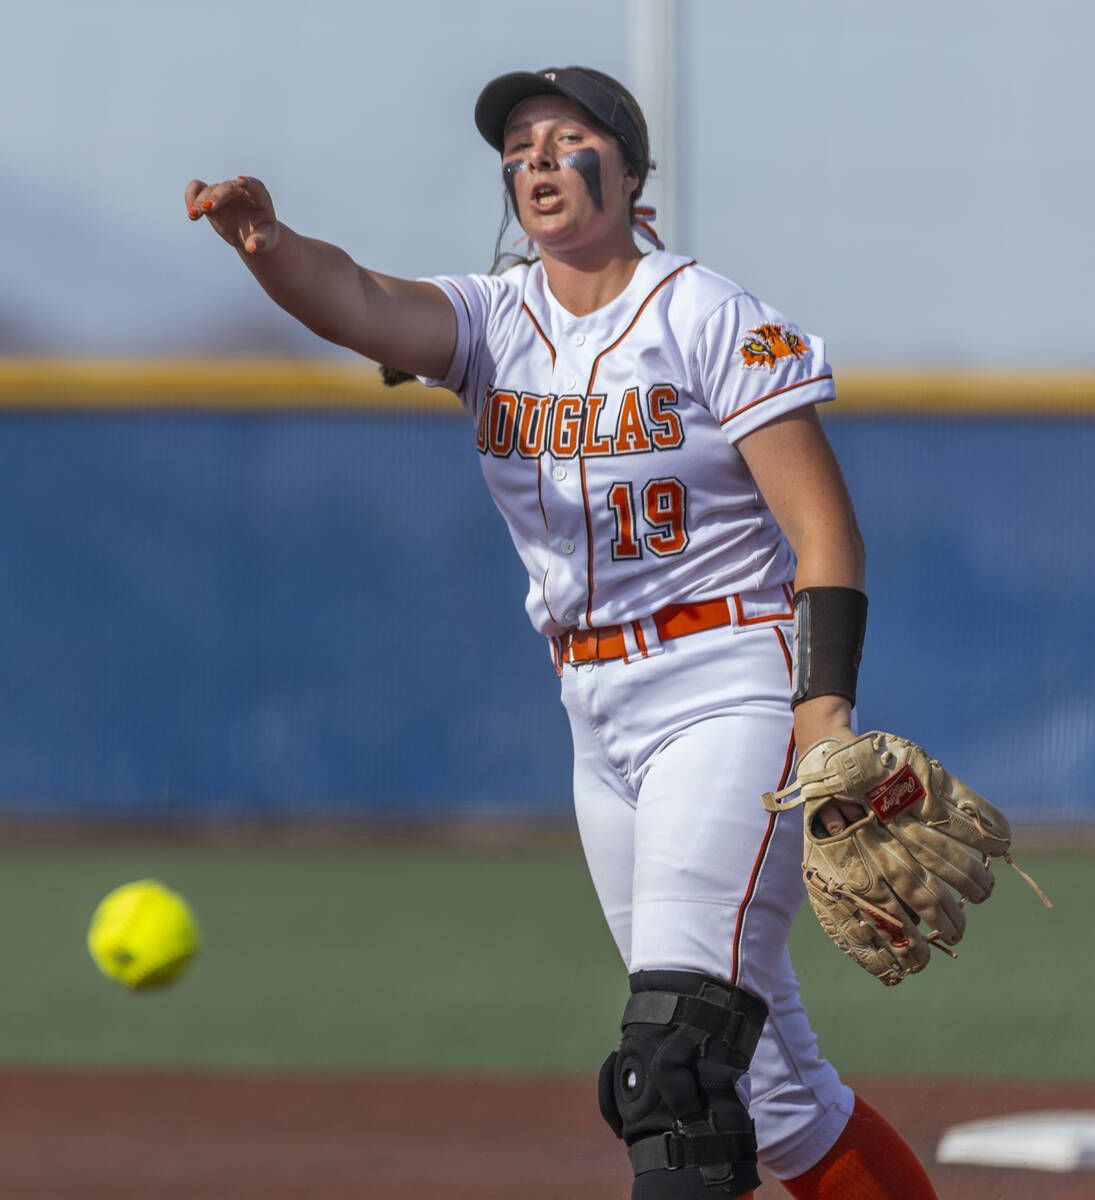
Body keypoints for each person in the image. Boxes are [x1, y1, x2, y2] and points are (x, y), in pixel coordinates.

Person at [186, 65, 938, 1200]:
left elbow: (826, 534)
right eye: (520, 142)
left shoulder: (705, 313)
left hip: (725, 690)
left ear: (631, 174)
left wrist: (819, 716)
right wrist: (266, 242)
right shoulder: (494, 321)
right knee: (777, 1101)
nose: (538, 156)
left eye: (569, 136)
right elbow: (353, 298)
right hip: (598, 720)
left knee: (672, 1070)